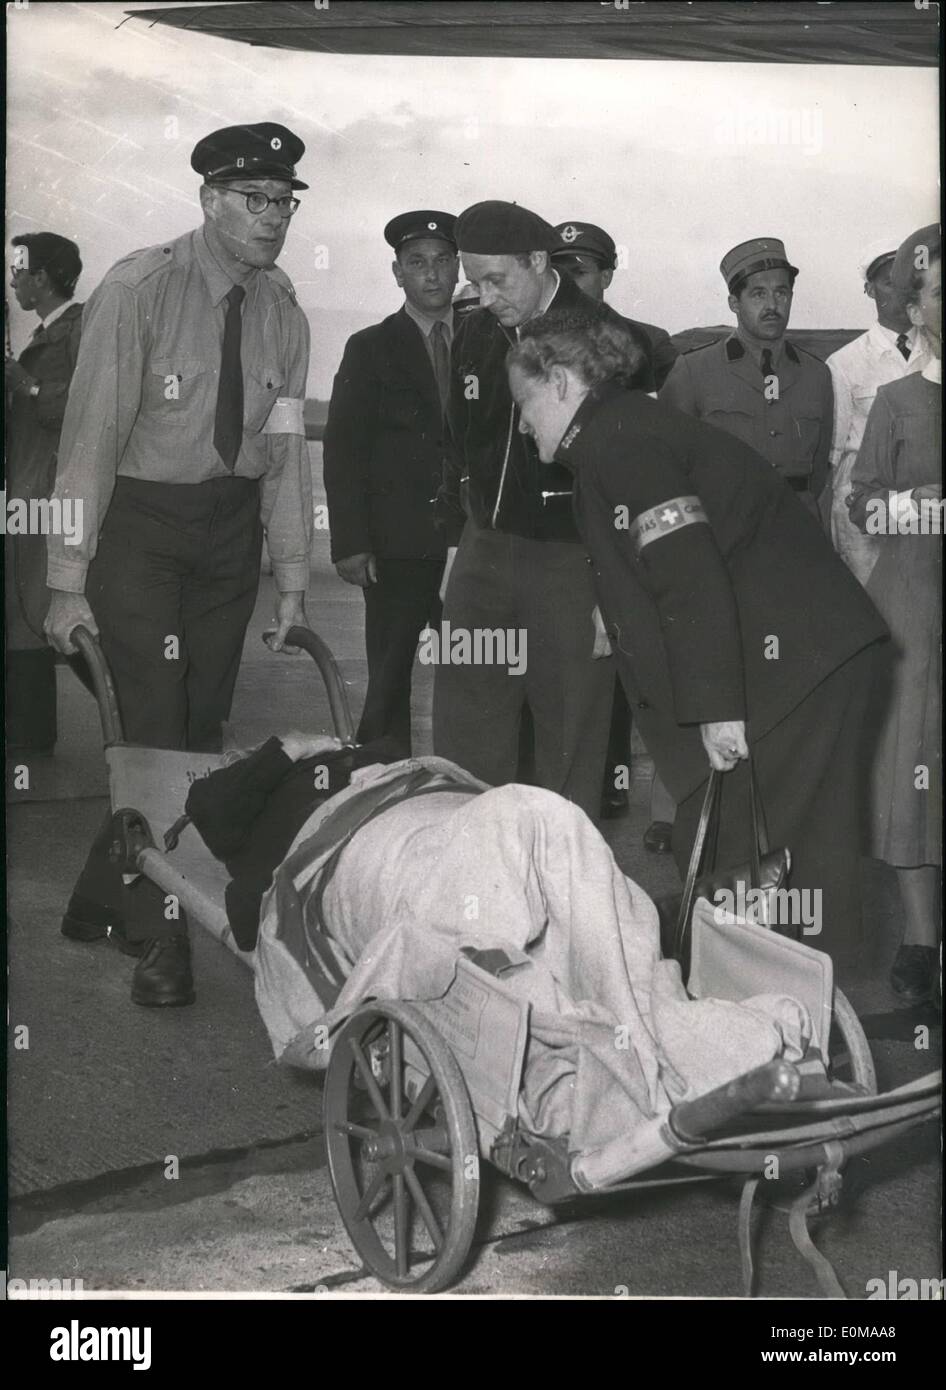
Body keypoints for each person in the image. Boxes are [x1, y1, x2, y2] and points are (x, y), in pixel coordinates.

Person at [507, 312, 888, 964]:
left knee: (731, 852)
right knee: (772, 858)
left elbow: (688, 569)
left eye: (525, 402)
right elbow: (661, 555)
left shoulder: (619, 444)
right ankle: (789, 1010)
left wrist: (717, 709)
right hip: (812, 656)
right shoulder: (624, 430)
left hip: (802, 668)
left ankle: (766, 1018)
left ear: (563, 384)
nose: (520, 423)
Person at [44, 122, 314, 1008]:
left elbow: (283, 459)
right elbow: (86, 440)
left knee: (195, 735)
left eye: (284, 201)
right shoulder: (139, 290)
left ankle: (102, 898)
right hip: (142, 534)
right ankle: (164, 939)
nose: (273, 216)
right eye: (254, 199)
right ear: (209, 201)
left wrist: (293, 581)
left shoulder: (283, 312)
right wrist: (65, 578)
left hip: (228, 538)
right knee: (158, 732)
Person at [433, 201, 655, 820]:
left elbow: (636, 476)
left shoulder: (608, 341)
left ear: (537, 261)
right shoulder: (476, 331)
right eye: (473, 281)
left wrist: (617, 587)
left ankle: (562, 892)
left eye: (496, 280)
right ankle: (471, 881)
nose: (484, 294)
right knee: (466, 729)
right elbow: (457, 445)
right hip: (484, 552)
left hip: (573, 559)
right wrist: (456, 547)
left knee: (570, 735)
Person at [552, 218, 679, 835]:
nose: (574, 278)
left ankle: (612, 787)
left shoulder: (641, 344)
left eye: (584, 267)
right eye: (564, 266)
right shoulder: (533, 339)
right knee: (564, 655)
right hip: (556, 524)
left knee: (626, 658)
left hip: (620, 517)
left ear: (606, 274)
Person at [847, 224, 941, 1006]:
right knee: (916, 777)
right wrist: (927, 508)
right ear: (915, 311)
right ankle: (920, 943)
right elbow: (866, 505)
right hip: (916, 607)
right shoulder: (896, 401)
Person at [323, 211, 457, 754]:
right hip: (397, 545)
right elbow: (344, 448)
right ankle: (381, 777)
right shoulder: (370, 348)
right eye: (417, 263)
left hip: (471, 543)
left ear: (459, 268)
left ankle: (472, 782)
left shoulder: (489, 342)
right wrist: (351, 542)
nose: (432, 274)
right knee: (389, 674)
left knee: (477, 666)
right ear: (397, 272)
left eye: (444, 261)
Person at [660, 237, 833, 520]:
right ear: (734, 303)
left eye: (781, 293)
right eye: (758, 294)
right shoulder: (693, 370)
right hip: (726, 526)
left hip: (798, 530)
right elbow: (667, 466)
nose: (772, 305)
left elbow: (819, 470)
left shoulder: (817, 374)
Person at [5, 233, 84, 753]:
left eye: (19, 271)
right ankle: (29, 733)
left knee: (43, 613)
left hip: (51, 496)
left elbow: (89, 402)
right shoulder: (42, 336)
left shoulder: (79, 331)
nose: (12, 281)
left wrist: (28, 386)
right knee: (21, 614)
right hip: (26, 491)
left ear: (42, 278)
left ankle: (143, 715)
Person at [826, 240, 928, 586]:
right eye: (887, 282)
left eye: (904, 282)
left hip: (925, 507)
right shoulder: (844, 364)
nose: (898, 293)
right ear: (869, 290)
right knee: (873, 609)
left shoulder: (936, 353)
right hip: (865, 515)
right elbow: (834, 457)